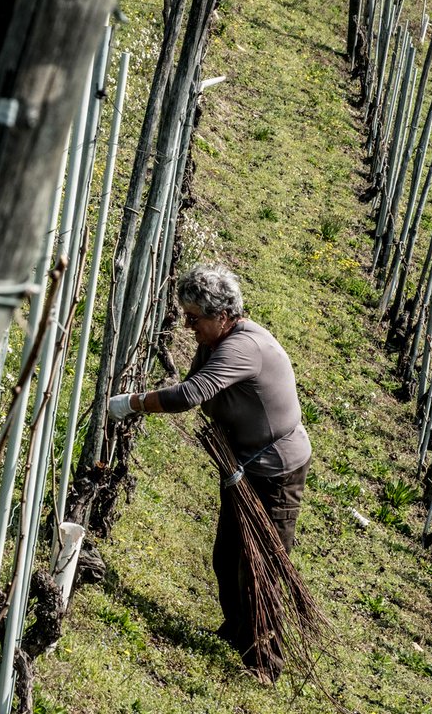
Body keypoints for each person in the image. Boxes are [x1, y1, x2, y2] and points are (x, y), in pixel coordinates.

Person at [106, 263, 311, 683]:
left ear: (221, 315)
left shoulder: (242, 348)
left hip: (275, 472)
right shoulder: (215, 342)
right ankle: (238, 633)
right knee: (227, 555)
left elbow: (190, 394)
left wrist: (132, 403)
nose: (186, 325)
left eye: (193, 318)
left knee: (262, 566)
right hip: (242, 466)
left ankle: (264, 663)